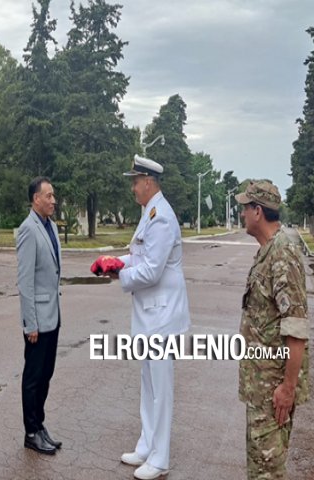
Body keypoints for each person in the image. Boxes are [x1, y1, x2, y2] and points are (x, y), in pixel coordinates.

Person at [113, 155, 191, 480]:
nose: (132, 186)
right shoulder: (149, 213)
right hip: (150, 316)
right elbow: (137, 255)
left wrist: (121, 276)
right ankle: (147, 446)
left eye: (135, 181)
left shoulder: (161, 218)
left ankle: (160, 458)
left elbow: (151, 270)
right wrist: (114, 261)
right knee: (147, 385)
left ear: (148, 182)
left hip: (162, 317)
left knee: (161, 390)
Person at [235, 181, 308, 480]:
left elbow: (296, 328)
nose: (241, 214)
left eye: (244, 208)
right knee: (259, 469)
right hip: (261, 387)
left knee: (268, 473)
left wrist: (287, 389)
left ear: (257, 211)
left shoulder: (282, 255)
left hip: (273, 391)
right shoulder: (268, 252)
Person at [16, 176, 63, 456]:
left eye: (53, 196)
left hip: (53, 317)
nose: (53, 201)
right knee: (33, 377)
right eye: (48, 196)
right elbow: (25, 282)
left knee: (46, 374)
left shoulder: (51, 227)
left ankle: (40, 425)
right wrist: (29, 323)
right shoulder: (28, 230)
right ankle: (31, 432)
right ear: (36, 199)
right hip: (37, 321)